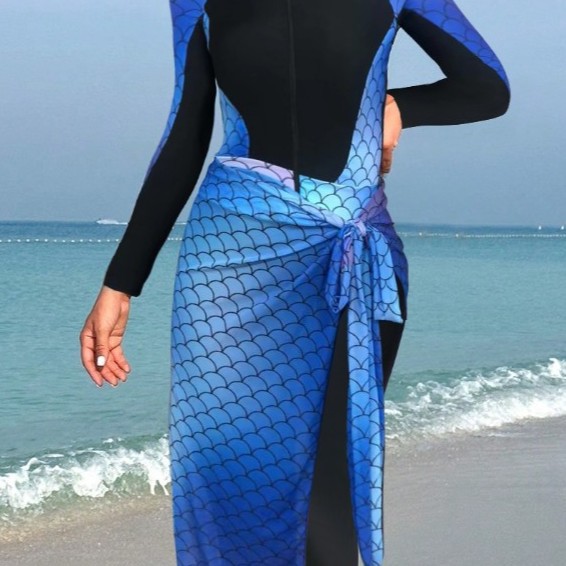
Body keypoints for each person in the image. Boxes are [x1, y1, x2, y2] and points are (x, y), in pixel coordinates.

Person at [80, 0, 510, 564]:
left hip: (337, 258)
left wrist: (397, 106)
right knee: (231, 476)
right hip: (231, 268)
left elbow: (486, 88)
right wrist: (121, 281)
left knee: (321, 492)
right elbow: (187, 128)